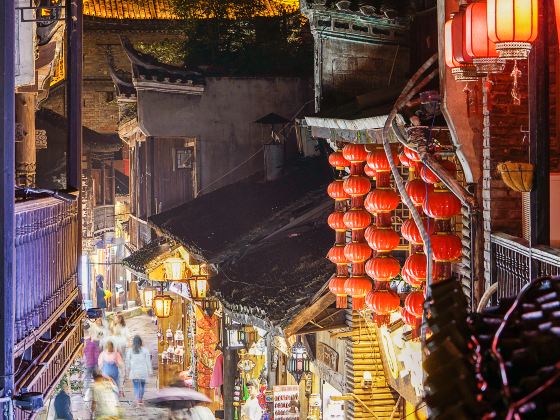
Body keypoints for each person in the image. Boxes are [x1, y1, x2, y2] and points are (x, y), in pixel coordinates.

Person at [125, 335, 153, 405]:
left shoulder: (130, 351)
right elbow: (148, 362)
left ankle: (138, 399)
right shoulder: (145, 350)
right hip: (143, 371)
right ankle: (140, 399)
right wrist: (150, 371)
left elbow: (127, 361)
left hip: (134, 371)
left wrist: (127, 370)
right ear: (140, 342)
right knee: (143, 385)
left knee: (136, 386)